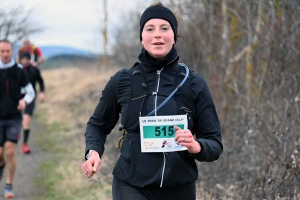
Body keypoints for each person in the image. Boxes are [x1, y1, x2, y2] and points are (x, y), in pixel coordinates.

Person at [81, 2, 223, 200]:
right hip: (131, 184)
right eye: (150, 29)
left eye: (164, 28)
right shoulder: (123, 80)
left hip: (180, 187)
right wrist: (93, 152)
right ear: (141, 38)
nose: (157, 34)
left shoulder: (193, 83)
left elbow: (214, 143)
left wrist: (196, 146)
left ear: (174, 37)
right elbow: (97, 125)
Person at [0, 39, 35, 198]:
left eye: (8, 51)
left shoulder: (19, 71)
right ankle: (1, 165)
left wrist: (24, 101)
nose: (5, 54)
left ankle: (8, 185)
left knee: (10, 150)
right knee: (0, 153)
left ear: (12, 51)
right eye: (2, 51)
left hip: (14, 117)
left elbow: (31, 92)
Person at [19, 51, 45, 154]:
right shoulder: (16, 70)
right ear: (20, 59)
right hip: (17, 98)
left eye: (27, 59)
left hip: (30, 97)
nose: (25, 61)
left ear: (30, 60)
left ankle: (25, 143)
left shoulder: (34, 70)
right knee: (16, 120)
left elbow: (41, 82)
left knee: (26, 120)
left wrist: (42, 92)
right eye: (23, 59)